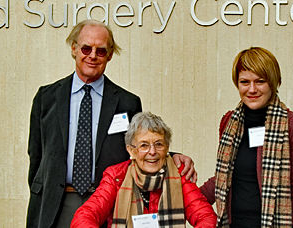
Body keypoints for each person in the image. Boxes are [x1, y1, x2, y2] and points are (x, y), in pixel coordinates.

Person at [26, 19, 196, 228]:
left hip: (108, 203)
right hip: (55, 204)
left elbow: (139, 147)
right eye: (86, 48)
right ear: (74, 49)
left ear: (110, 55)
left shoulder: (127, 103)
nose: (92, 56)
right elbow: (36, 155)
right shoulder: (46, 97)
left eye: (101, 51)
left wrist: (171, 156)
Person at [200, 47, 293, 228]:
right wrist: (188, 199)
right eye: (244, 82)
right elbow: (224, 176)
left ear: (273, 82)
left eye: (260, 81)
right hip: (233, 224)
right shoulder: (229, 122)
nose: (252, 89)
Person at [71, 112, 217, 228]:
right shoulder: (116, 176)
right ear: (131, 150)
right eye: (144, 145)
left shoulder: (179, 174)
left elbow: (206, 217)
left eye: (158, 144)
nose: (152, 152)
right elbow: (84, 216)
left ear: (167, 147)